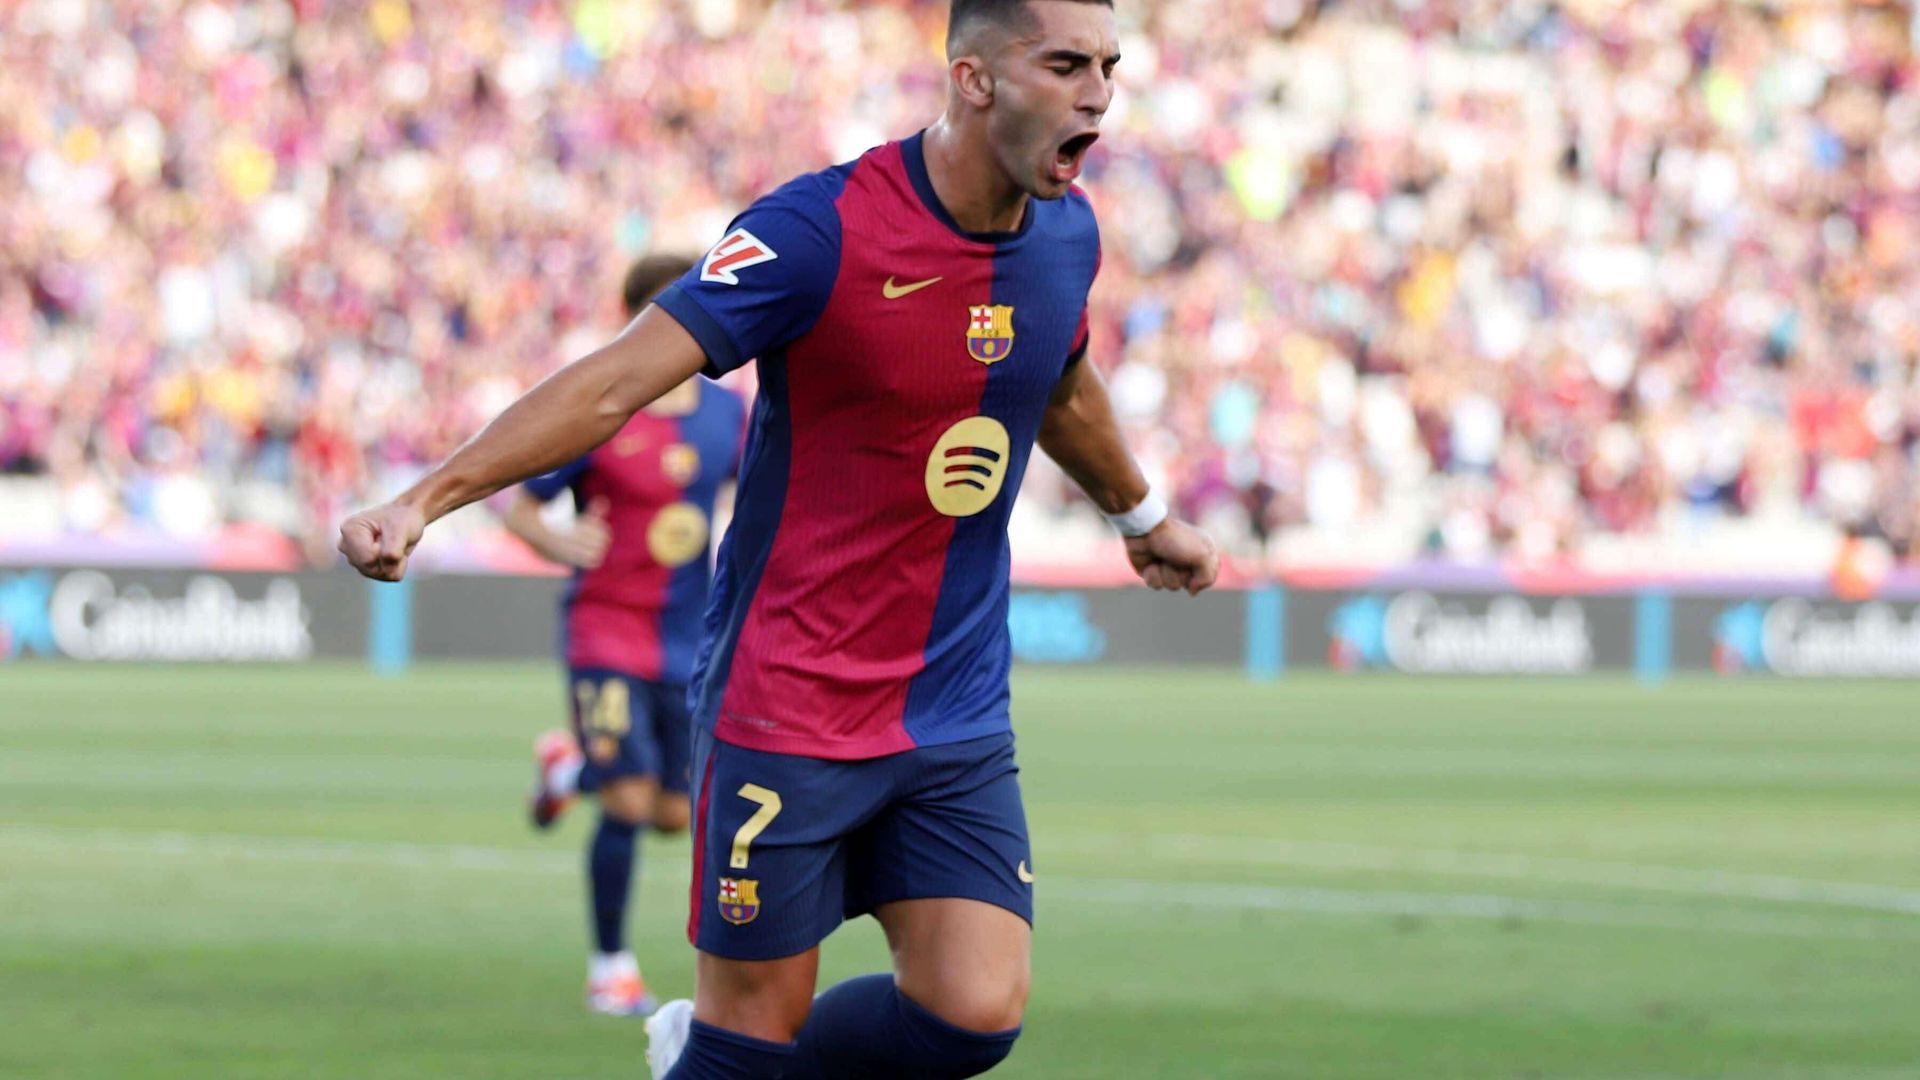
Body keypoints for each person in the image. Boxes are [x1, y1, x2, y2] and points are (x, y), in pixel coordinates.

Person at [337, 1, 1219, 1075]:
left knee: (971, 1016)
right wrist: (425, 499)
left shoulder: (1067, 235)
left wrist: (1142, 517)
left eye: (1110, 67)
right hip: (791, 701)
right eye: (1067, 64)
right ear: (975, 78)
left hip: (953, 702)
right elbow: (616, 380)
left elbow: (1062, 384)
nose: (1099, 95)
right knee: (750, 1038)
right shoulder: (819, 229)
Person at [503, 254, 746, 1017]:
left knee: (673, 812)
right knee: (630, 801)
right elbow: (522, 506)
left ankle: (566, 773)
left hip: (688, 635)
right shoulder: (601, 410)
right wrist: (557, 541)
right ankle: (611, 969)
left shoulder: (726, 413)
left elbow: (749, 489)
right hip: (605, 630)